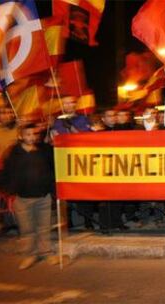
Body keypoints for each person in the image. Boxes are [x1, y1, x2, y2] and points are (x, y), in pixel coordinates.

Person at [0, 123, 58, 270]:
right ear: (21, 136)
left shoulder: (44, 150)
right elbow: (3, 172)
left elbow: (54, 166)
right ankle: (30, 255)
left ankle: (46, 252)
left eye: (34, 134)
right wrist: (9, 190)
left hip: (43, 197)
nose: (32, 137)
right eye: (28, 134)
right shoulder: (13, 153)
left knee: (44, 227)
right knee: (27, 229)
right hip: (23, 199)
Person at [51, 96, 94, 230]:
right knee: (64, 191)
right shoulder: (56, 121)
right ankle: (67, 221)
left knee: (84, 191)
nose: (69, 105)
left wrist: (71, 127)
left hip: (80, 160)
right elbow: (52, 140)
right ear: (61, 105)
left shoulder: (83, 118)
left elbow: (87, 138)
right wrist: (52, 134)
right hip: (63, 160)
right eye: (65, 103)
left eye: (71, 102)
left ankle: (89, 220)